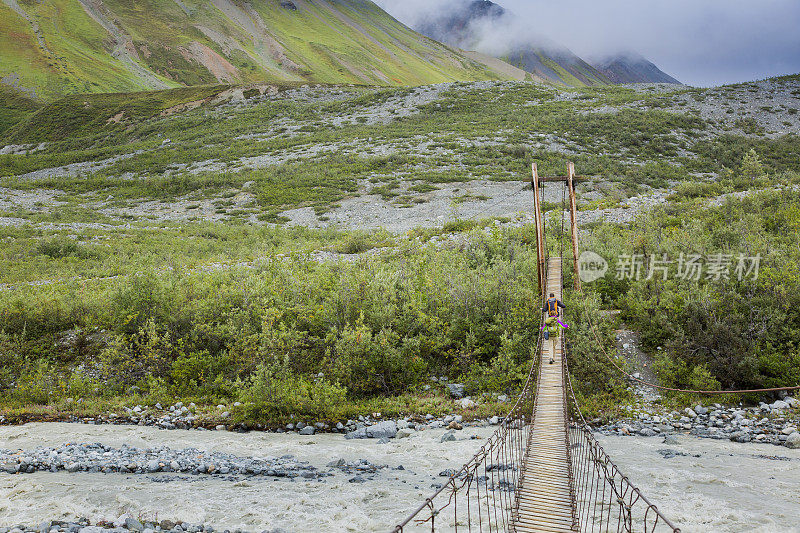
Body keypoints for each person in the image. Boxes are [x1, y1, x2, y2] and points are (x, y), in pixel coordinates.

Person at [542, 293, 565, 364]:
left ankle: (550, 358)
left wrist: (542, 328)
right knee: (554, 346)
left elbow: (545, 310)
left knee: (550, 347)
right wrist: (567, 326)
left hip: (550, 332)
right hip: (556, 334)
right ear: (554, 296)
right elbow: (563, 306)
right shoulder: (556, 301)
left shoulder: (547, 302)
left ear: (549, 297)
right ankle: (554, 358)